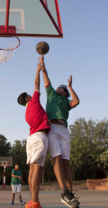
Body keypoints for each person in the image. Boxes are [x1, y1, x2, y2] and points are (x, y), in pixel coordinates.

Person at [39, 55, 80, 208]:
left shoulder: (66, 101)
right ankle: (63, 191)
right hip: (52, 129)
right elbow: (45, 76)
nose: (58, 87)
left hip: (63, 129)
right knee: (56, 158)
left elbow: (76, 102)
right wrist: (43, 64)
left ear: (64, 92)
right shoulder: (51, 93)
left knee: (66, 162)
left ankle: (69, 192)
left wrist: (70, 87)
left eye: (61, 87)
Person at [17, 62, 50, 208]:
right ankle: (35, 203)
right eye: (29, 95)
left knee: (31, 171)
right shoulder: (34, 101)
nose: (32, 94)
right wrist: (38, 70)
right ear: (26, 98)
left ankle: (32, 201)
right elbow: (37, 83)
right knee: (38, 170)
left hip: (30, 140)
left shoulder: (26, 114)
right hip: (39, 138)